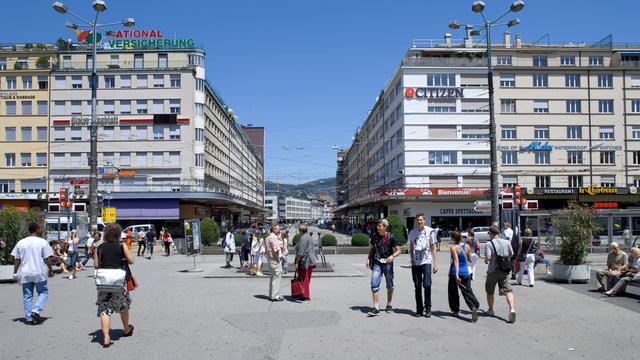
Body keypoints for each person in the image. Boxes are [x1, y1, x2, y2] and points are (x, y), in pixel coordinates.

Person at [95, 223, 134, 348]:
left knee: (104, 308)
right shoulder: (122, 245)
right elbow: (131, 261)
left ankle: (106, 337)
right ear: (118, 234)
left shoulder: (99, 247)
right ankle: (126, 329)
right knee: (123, 306)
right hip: (119, 280)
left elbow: (96, 265)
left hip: (104, 281)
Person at [11, 222, 54, 325]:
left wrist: (15, 272)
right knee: (43, 292)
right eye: (40, 228)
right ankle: (36, 310)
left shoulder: (21, 242)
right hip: (39, 272)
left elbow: (17, 259)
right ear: (36, 229)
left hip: (25, 273)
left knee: (27, 296)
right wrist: (50, 269)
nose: (42, 230)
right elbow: (47, 258)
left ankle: (29, 318)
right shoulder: (42, 242)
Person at [365, 218, 401, 316]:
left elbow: (399, 250)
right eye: (377, 226)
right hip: (377, 263)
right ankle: (376, 307)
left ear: (385, 227)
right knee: (374, 283)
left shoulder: (391, 237)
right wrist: (368, 259)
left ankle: (389, 304)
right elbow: (372, 249)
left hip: (388, 264)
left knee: (389, 284)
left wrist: (392, 256)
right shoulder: (374, 237)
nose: (377, 227)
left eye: (380, 226)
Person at [485, 225, 516, 323]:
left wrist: (486, 259)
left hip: (493, 271)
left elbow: (488, 258)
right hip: (505, 270)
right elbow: (511, 254)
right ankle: (512, 309)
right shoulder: (506, 242)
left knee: (490, 291)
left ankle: (491, 310)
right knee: (508, 290)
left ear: (491, 233)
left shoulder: (489, 244)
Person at [408, 213, 438, 317]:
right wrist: (411, 259)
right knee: (417, 287)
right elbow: (411, 246)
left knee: (427, 285)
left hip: (426, 262)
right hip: (416, 263)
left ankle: (428, 308)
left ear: (424, 221)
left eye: (421, 220)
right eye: (417, 220)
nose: (419, 222)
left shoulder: (430, 231)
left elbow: (433, 248)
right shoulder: (412, 232)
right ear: (415, 221)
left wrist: (435, 264)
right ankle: (419, 309)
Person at [448, 231, 480, 322]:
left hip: (455, 273)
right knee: (467, 291)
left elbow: (455, 261)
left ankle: (455, 311)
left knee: (453, 292)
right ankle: (473, 306)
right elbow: (470, 260)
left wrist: (457, 274)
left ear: (453, 238)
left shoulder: (453, 247)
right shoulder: (467, 246)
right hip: (466, 272)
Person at [295, 225, 317, 300]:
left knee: (304, 279)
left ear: (300, 231)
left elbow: (300, 253)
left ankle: (305, 295)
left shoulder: (302, 238)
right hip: (311, 261)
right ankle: (305, 293)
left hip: (304, 261)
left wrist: (297, 262)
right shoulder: (309, 237)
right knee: (307, 279)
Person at [265, 225, 284, 301]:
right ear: (274, 229)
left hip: (270, 259)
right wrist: (278, 260)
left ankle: (271, 295)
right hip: (275, 259)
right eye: (278, 229)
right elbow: (275, 250)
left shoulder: (268, 237)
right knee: (276, 277)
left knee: (273, 278)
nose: (279, 230)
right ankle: (275, 296)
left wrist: (279, 238)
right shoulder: (273, 237)